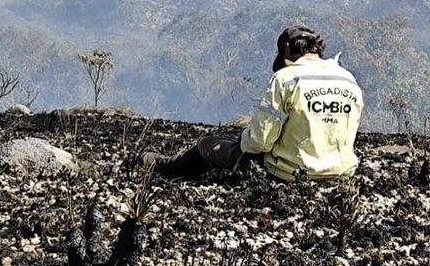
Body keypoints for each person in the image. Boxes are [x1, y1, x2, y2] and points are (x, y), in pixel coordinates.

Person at [154, 25, 363, 182]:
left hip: (292, 172)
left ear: (287, 51)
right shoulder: (347, 79)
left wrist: (242, 141)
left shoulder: (286, 78)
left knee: (207, 146)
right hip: (341, 172)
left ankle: (164, 167)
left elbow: (260, 141)